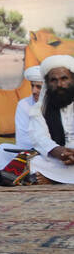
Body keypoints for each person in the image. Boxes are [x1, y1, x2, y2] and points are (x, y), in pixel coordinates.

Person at [27, 55, 74, 184]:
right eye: (54, 80)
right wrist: (60, 152)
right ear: (47, 84)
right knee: (33, 162)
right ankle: (58, 178)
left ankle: (53, 179)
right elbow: (39, 137)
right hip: (60, 159)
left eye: (64, 78)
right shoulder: (40, 109)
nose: (60, 84)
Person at [0, 68, 44, 174]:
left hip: (54, 153)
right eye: (32, 86)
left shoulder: (59, 104)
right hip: (30, 151)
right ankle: (0, 180)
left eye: (39, 87)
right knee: (3, 149)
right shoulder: (24, 104)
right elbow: (22, 139)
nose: (34, 91)